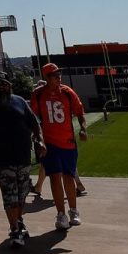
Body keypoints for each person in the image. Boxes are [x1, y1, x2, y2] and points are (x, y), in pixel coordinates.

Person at [0, 73, 46, 249]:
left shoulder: (20, 101)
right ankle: (14, 229)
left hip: (23, 155)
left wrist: (40, 139)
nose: (2, 87)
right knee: (9, 195)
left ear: (10, 85)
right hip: (2, 157)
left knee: (22, 193)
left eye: (5, 84)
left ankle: (19, 220)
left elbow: (34, 122)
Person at [32, 62, 87, 230]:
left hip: (68, 142)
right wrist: (37, 138)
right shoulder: (38, 94)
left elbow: (80, 112)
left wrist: (83, 129)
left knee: (69, 177)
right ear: (47, 78)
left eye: (59, 73)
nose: (58, 76)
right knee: (55, 178)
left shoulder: (68, 92)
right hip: (49, 143)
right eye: (55, 74)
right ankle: (61, 214)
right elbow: (32, 117)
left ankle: (73, 210)